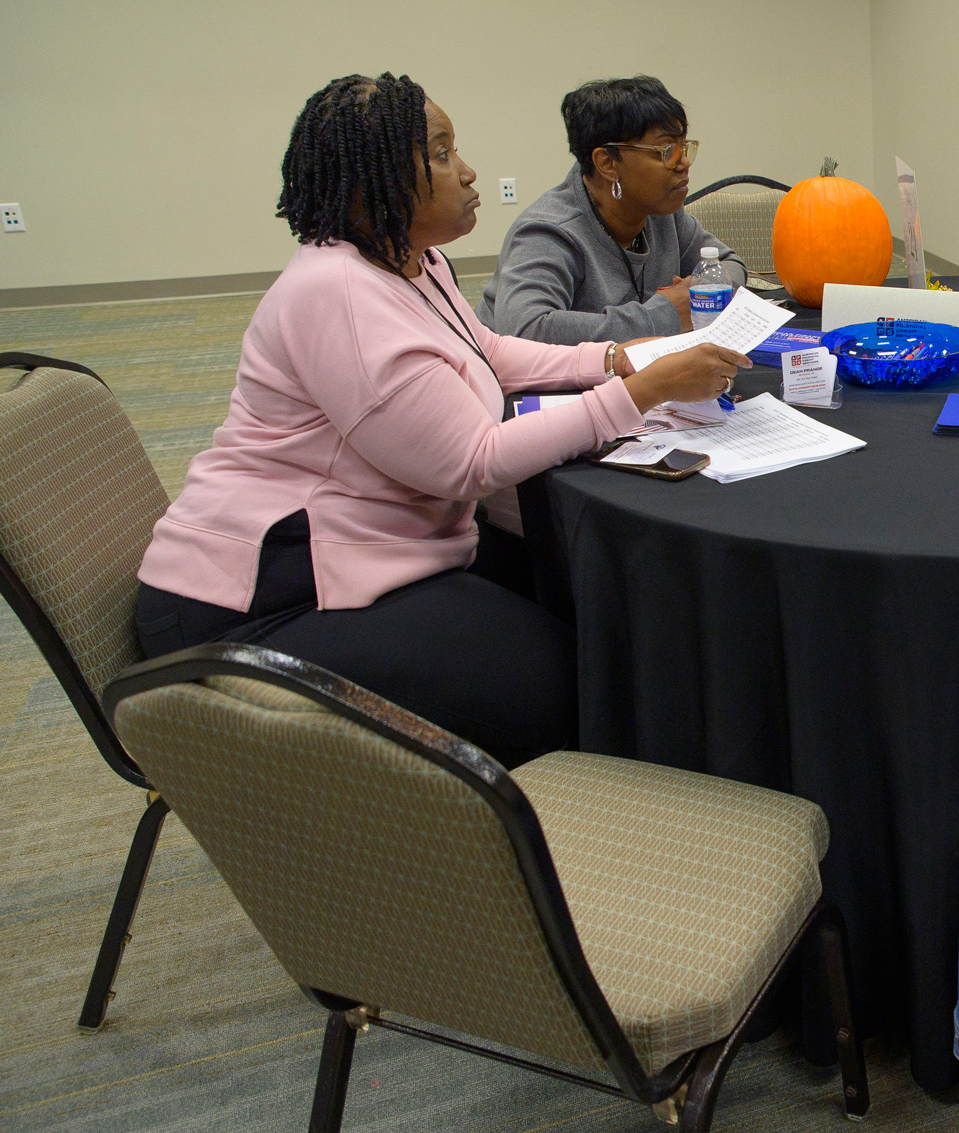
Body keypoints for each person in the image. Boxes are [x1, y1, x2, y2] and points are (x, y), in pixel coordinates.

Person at [135, 73, 750, 766]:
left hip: (377, 551)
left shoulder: (412, 262)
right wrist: (636, 393)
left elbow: (485, 349)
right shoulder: (337, 294)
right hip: (265, 599)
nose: (468, 171)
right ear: (375, 179)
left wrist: (611, 359)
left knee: (592, 610)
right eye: (440, 152)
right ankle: (520, 852)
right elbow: (474, 461)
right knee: (584, 684)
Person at [477, 75, 747, 342]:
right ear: (607, 163)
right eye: (666, 150)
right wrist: (665, 313)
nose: (684, 163)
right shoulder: (549, 231)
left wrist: (697, 293)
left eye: (684, 147)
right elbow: (525, 330)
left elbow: (729, 265)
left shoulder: (662, 213)